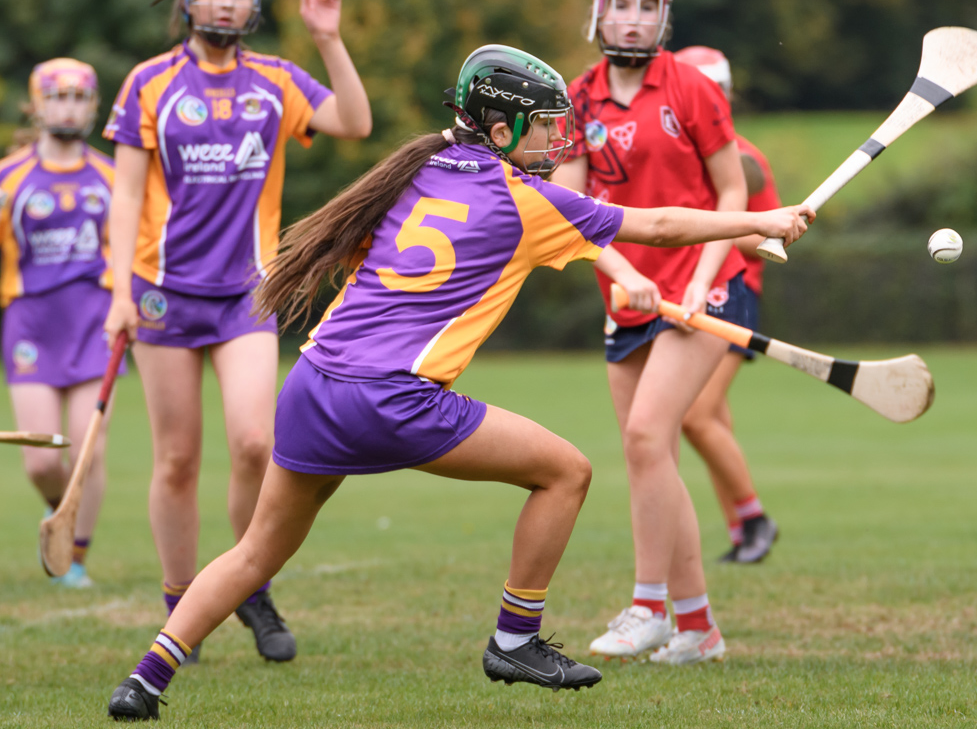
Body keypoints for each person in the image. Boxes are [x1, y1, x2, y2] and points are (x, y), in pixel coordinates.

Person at [105, 44, 811, 720]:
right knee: (565, 473)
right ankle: (514, 640)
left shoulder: (420, 167)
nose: (555, 144)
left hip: (313, 385)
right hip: (395, 400)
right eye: (542, 130)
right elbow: (653, 224)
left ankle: (145, 680)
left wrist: (739, 234)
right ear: (500, 128)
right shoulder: (526, 200)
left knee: (257, 549)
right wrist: (763, 217)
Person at [101, 0, 372, 664]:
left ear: (255, 3)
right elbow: (125, 193)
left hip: (247, 294)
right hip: (162, 296)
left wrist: (327, 39)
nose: (226, 1)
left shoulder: (276, 81)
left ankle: (249, 584)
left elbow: (354, 121)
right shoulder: (149, 83)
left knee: (256, 442)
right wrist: (118, 291)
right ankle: (178, 601)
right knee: (177, 460)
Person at [552, 0, 813, 664]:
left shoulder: (692, 89)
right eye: (620, 4)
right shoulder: (576, 100)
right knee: (652, 456)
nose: (632, 17)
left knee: (643, 437)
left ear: (663, 14)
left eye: (646, 5)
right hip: (628, 294)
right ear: (598, 12)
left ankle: (646, 606)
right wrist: (622, 272)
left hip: (707, 282)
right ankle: (698, 628)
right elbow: (568, 213)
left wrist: (699, 280)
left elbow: (731, 195)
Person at [0, 58, 122, 588]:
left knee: (87, 446)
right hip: (31, 324)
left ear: (93, 106)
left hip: (95, 321)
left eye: (79, 97)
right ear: (37, 104)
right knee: (42, 460)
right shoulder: (10, 177)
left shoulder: (114, 177)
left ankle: (72, 558)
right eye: (58, 96)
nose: (68, 106)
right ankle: (60, 514)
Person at [674, 45, 783, 564]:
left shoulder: (742, 158)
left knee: (695, 417)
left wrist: (707, 229)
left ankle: (756, 517)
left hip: (732, 292)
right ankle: (741, 529)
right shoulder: (679, 157)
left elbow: (763, 239)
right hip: (688, 293)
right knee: (712, 417)